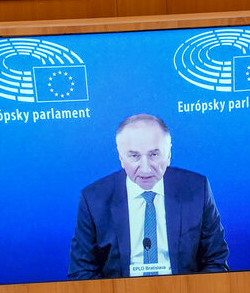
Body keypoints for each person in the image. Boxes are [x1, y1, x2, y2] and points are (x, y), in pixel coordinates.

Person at [68, 113, 229, 279]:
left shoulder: (196, 189)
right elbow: (81, 271)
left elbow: (216, 260)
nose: (145, 169)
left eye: (154, 155)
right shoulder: (94, 199)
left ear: (168, 154)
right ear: (121, 157)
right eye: (134, 156)